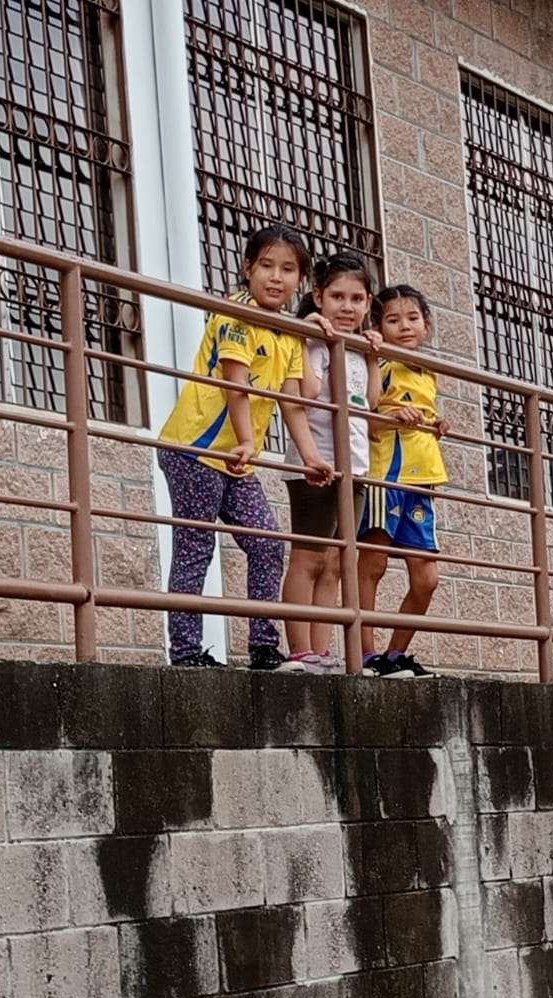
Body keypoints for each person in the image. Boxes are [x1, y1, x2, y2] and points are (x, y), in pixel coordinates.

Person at [155, 224, 331, 670]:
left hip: (237, 458)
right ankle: (186, 654)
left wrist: (312, 458)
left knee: (267, 545)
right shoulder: (236, 312)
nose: (276, 277)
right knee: (196, 546)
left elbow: (295, 402)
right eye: (267, 266)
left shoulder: (286, 332)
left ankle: (262, 647)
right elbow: (235, 385)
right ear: (247, 268)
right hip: (195, 448)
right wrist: (251, 441)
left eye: (288, 269)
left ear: (301, 282)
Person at [279, 252, 382, 672]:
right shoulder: (312, 341)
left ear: (368, 304)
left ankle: (321, 652)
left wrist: (374, 358)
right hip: (316, 463)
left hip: (354, 465)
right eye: (337, 296)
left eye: (357, 299)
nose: (347, 306)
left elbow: (372, 406)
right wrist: (307, 332)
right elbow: (305, 390)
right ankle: (300, 648)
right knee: (309, 557)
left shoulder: (358, 350)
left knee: (338, 561)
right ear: (318, 297)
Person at [358, 285, 450, 679]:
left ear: (426, 325)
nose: (404, 326)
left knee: (427, 579)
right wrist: (395, 418)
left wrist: (435, 424)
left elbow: (421, 414)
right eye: (392, 320)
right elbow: (361, 416)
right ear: (378, 326)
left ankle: (395, 655)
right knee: (372, 565)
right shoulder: (379, 364)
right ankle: (364, 655)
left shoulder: (427, 373)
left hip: (422, 481)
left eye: (412, 318)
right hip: (385, 476)